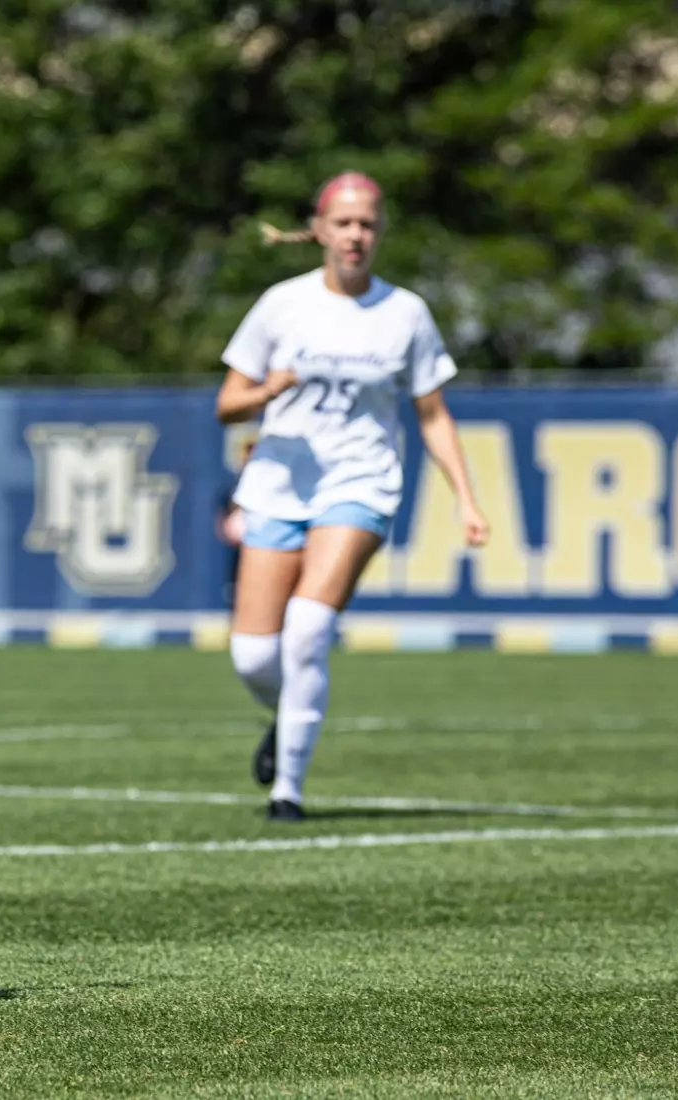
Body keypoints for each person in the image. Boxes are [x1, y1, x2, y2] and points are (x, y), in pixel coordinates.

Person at [216, 172, 489, 821]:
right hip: (279, 484)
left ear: (379, 232)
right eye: (343, 223)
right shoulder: (281, 304)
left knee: (308, 628)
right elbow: (228, 405)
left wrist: (467, 499)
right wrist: (267, 391)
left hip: (360, 482)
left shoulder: (406, 312)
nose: (356, 235)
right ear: (319, 230)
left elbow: (431, 413)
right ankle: (287, 716)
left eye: (367, 224)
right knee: (254, 656)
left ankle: (289, 791)